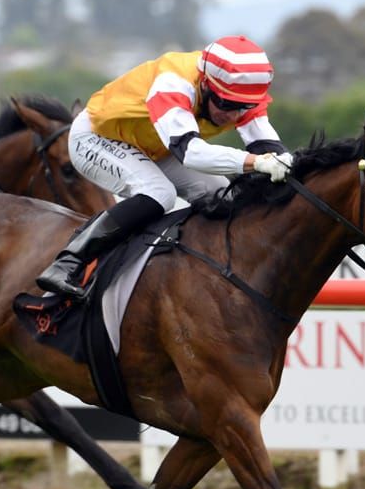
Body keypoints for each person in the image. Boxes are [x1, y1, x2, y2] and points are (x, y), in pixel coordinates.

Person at [35, 34, 293, 298]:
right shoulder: (174, 82)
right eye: (226, 104)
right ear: (205, 84)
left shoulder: (240, 93)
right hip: (97, 137)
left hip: (157, 145)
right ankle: (69, 261)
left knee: (220, 193)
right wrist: (257, 162)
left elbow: (269, 148)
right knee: (160, 193)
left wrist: (287, 166)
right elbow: (192, 153)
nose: (233, 115)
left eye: (243, 107)